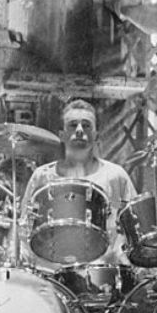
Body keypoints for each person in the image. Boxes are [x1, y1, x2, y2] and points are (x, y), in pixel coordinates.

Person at [21, 98, 137, 269]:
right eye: (73, 125)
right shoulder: (42, 177)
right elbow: (24, 227)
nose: (80, 130)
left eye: (87, 125)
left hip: (103, 274)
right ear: (61, 135)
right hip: (49, 273)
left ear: (96, 135)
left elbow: (135, 225)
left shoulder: (116, 176)